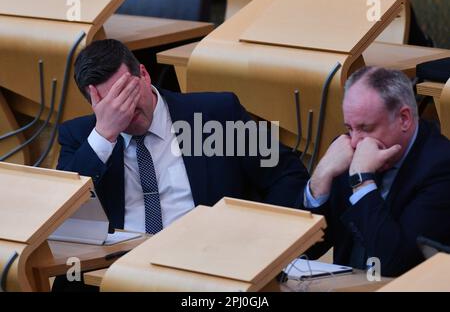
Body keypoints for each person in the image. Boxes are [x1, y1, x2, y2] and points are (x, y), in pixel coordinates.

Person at [54, 39, 309, 290]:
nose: (126, 110)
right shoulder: (80, 137)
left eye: (128, 94)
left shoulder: (214, 115)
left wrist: (258, 242)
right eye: (111, 104)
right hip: (118, 276)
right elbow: (61, 213)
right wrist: (104, 135)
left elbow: (287, 176)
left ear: (143, 74)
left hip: (205, 272)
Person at [303, 66, 450, 277]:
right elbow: (305, 250)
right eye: (349, 128)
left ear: (404, 119)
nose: (354, 141)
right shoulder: (348, 150)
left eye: (366, 128)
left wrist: (362, 182)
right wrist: (320, 179)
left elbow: (394, 265)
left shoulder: (441, 167)